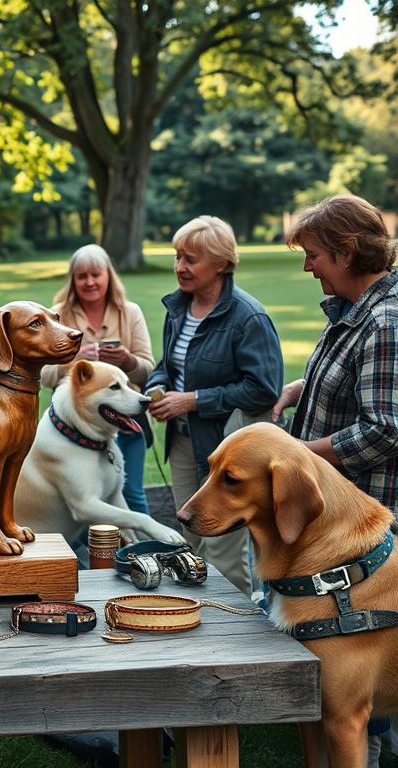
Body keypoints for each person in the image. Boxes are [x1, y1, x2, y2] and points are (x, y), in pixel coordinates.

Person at [272, 195, 398, 768]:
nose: (307, 267)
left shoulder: (385, 321)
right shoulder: (356, 308)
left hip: (365, 526)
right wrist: (303, 387)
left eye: (314, 254)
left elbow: (385, 428)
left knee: (357, 665)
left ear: (347, 252)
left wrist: (301, 456)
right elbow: (359, 380)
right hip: (340, 527)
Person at [146, 215, 283, 597]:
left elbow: (264, 389)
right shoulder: (178, 308)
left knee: (224, 554)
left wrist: (192, 401)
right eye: (177, 257)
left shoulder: (248, 317)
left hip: (227, 452)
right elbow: (169, 365)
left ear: (221, 263)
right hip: (182, 443)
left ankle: (236, 622)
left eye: (191, 259)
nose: (180, 267)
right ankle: (198, 619)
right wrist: (157, 386)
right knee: (190, 542)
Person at [41, 243, 155, 515]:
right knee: (84, 500)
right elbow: (43, 375)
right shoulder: (58, 315)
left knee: (131, 494)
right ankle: (94, 546)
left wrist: (126, 361)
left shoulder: (130, 312)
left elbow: (147, 369)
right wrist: (74, 359)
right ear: (73, 280)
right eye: (82, 276)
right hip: (76, 428)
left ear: (108, 276)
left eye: (96, 275)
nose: (90, 282)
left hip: (126, 419)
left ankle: (140, 544)